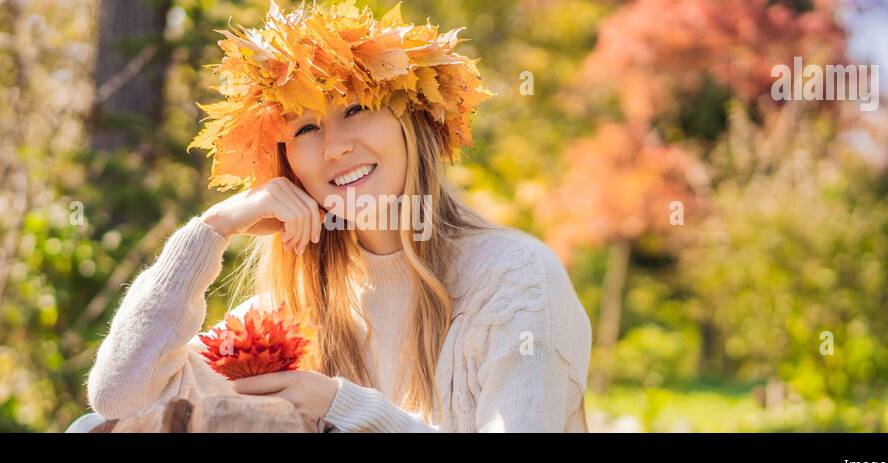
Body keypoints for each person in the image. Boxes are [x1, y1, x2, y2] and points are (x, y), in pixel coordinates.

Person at [76, 1, 591, 433]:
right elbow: (120, 401)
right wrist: (212, 230)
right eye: (304, 129)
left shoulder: (516, 279)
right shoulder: (288, 308)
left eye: (356, 109)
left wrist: (341, 407)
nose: (335, 148)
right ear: (286, 165)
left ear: (412, 123)